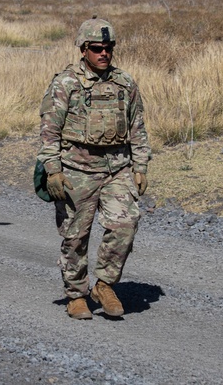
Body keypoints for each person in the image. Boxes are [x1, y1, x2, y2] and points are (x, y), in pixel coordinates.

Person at [36, 17, 151, 319]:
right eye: (97, 48)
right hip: (76, 169)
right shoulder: (66, 83)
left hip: (117, 168)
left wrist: (140, 165)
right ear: (84, 49)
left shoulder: (124, 83)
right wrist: (53, 169)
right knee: (75, 236)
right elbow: (49, 130)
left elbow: (137, 126)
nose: (104, 54)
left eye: (109, 48)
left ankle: (104, 284)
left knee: (125, 225)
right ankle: (76, 295)